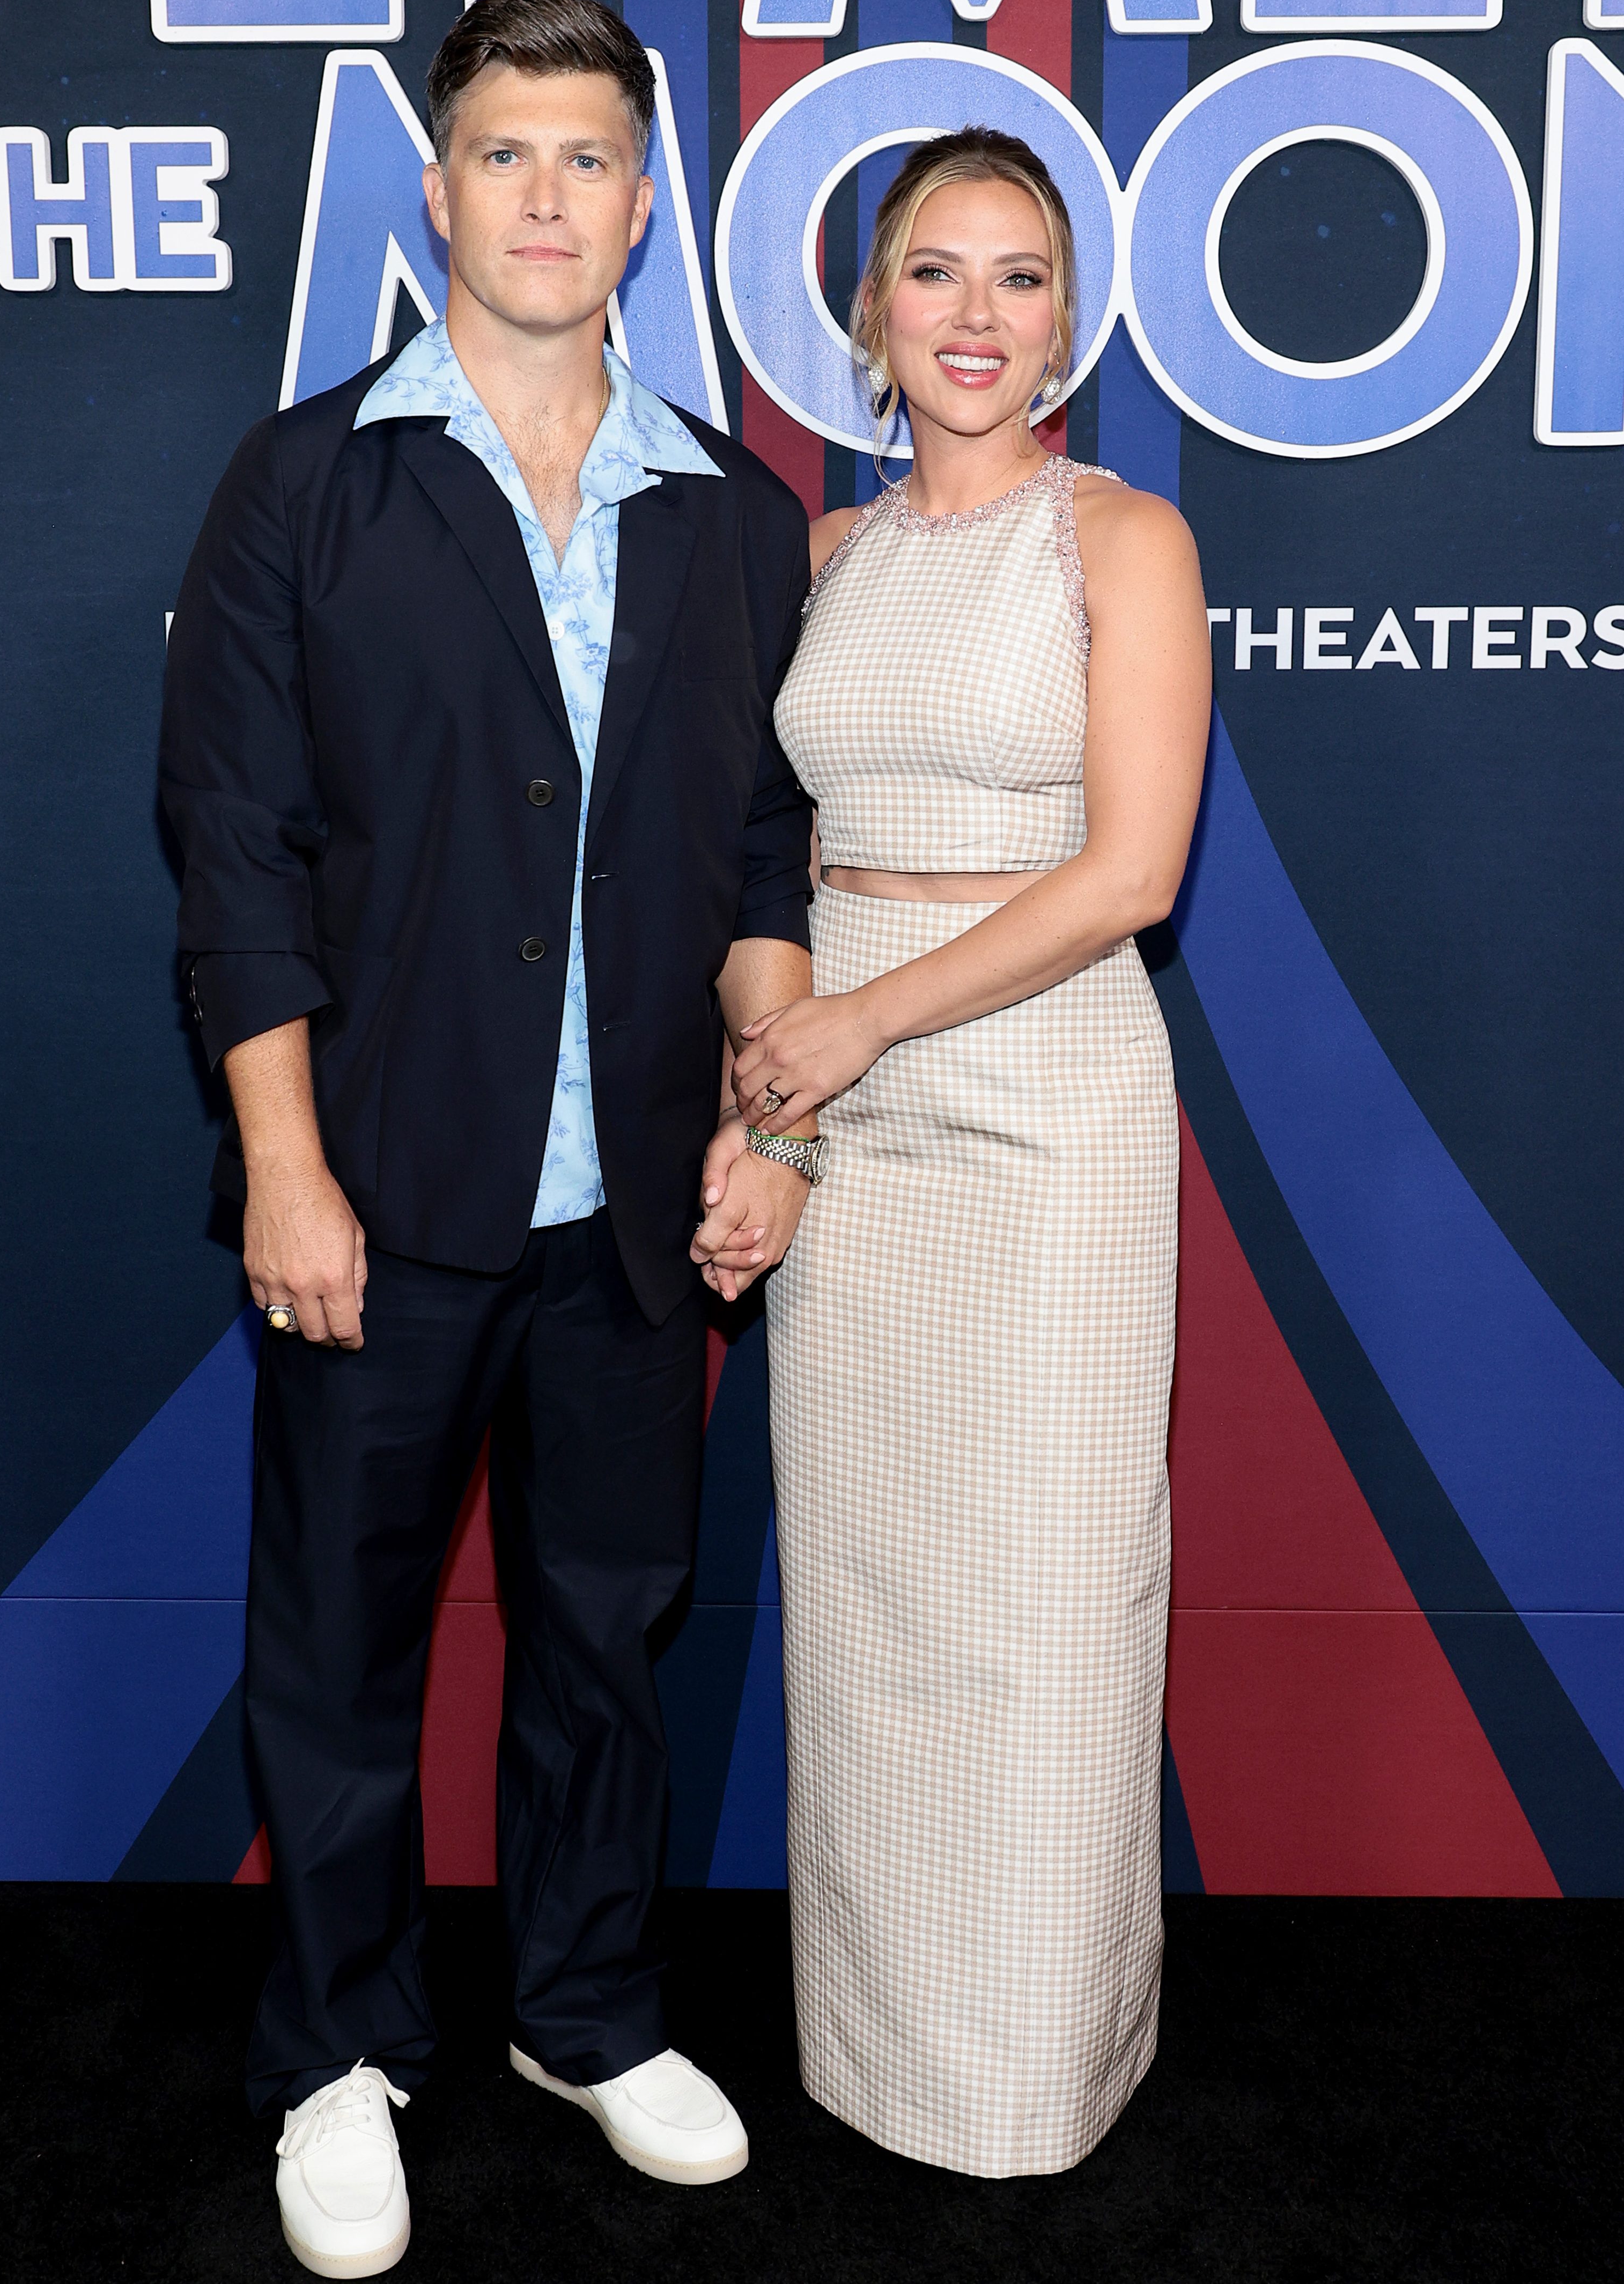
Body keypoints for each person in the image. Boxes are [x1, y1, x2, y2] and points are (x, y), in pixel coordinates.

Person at [159, 0, 824, 2279]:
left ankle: (583, 2010)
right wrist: (284, 1161)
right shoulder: (307, 482)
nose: (549, 197)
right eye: (505, 156)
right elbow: (234, 852)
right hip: (383, 1198)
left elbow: (756, 858)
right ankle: (339, 2052)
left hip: (632, 1213)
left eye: (590, 160)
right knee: (336, 1645)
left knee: (604, 1635)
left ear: (648, 207)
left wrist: (770, 1122)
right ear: (437, 194)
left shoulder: (734, 514)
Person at [733, 129, 1211, 2177]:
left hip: (1042, 1104)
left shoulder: (1124, 540)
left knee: (1040, 1595)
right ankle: (882, 2051)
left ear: (1068, 322)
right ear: (868, 317)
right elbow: (768, 853)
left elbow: (1129, 873)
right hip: (842, 1100)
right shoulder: (826, 560)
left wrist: (854, 1022)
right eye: (935, 275)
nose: (974, 320)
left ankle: (1025, 2078)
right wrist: (782, 1094)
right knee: (868, 1589)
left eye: (1019, 281)